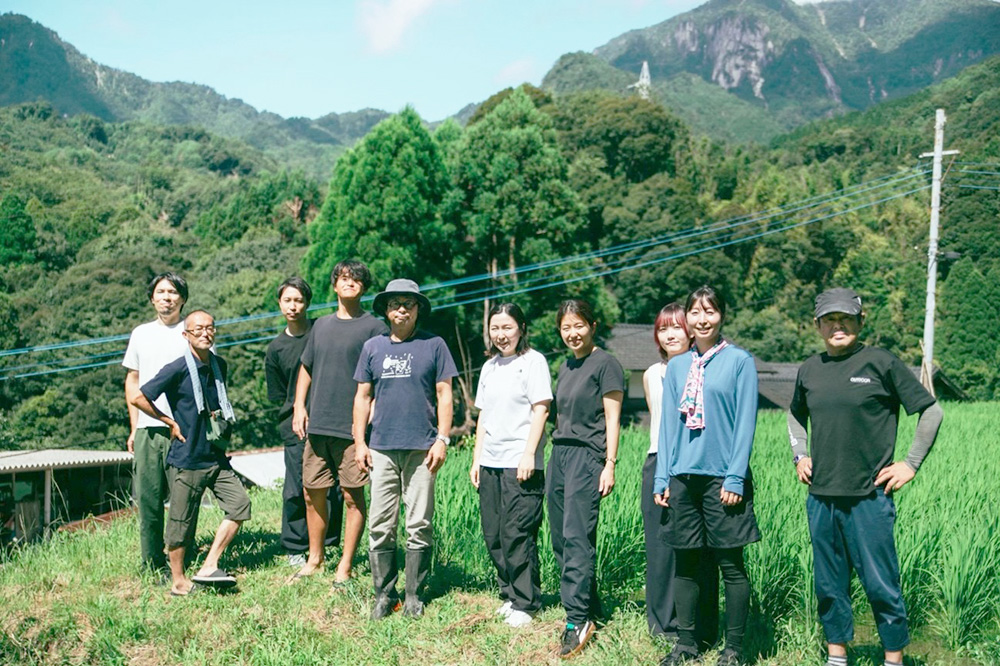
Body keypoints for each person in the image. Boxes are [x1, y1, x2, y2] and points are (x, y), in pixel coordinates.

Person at [788, 288, 943, 666]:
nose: (837, 325)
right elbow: (794, 415)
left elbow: (931, 411)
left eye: (845, 318)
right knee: (829, 584)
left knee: (881, 584)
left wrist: (910, 463)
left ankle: (893, 658)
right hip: (822, 495)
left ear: (861, 320)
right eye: (829, 319)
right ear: (817, 325)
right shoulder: (809, 369)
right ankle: (837, 656)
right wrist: (800, 454)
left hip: (869, 497)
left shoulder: (880, 363)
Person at [654, 286, 760, 666]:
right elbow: (668, 426)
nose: (702, 320)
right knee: (686, 562)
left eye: (710, 312)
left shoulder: (739, 361)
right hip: (683, 477)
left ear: (722, 316)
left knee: (731, 564)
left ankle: (733, 648)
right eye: (696, 313)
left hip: (721, 478)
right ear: (688, 318)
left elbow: (746, 423)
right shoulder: (678, 365)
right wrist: (661, 478)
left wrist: (734, 478)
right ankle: (686, 643)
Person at [353, 278, 458, 619]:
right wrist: (359, 442)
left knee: (419, 523)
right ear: (385, 309)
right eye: (395, 303)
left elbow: (445, 393)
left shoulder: (435, 345)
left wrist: (442, 439)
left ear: (418, 310)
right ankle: (385, 595)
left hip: (422, 449)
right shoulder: (373, 347)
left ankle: (414, 594)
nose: (402, 308)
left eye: (408, 303)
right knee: (381, 523)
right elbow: (362, 397)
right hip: (381, 447)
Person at [132, 310, 251, 596]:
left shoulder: (219, 366)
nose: (205, 334)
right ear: (186, 335)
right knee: (180, 524)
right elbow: (139, 396)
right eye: (198, 330)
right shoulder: (177, 368)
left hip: (215, 456)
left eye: (210, 329)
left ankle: (209, 565)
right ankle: (178, 581)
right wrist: (169, 422)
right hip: (186, 458)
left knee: (240, 505)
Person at [291, 261, 385, 584]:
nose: (350, 283)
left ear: (364, 287)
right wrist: (299, 406)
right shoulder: (320, 326)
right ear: (334, 285)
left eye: (356, 279)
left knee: (351, 495)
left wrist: (369, 421)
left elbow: (379, 380)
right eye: (344, 278)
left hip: (351, 429)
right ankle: (315, 557)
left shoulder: (375, 328)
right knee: (311, 491)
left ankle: (345, 565)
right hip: (318, 424)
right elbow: (307, 367)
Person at [547, 299, 624, 659]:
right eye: (566, 327)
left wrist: (609, 463)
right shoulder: (566, 365)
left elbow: (613, 418)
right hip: (559, 454)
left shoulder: (605, 364)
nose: (572, 333)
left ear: (592, 325)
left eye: (578, 325)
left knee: (577, 537)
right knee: (560, 538)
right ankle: (592, 607)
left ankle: (576, 620)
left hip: (587, 457)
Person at [469, 303, 552, 628]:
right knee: (494, 534)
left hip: (521, 463)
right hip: (490, 462)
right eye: (495, 328)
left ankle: (527, 601)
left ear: (521, 328)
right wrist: (476, 459)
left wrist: (529, 453)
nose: (501, 334)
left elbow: (541, 409)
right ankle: (510, 594)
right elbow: (483, 419)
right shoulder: (489, 367)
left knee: (517, 533)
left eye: (507, 327)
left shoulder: (533, 362)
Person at [642, 303, 719, 646]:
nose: (670, 334)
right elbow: (659, 423)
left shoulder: (704, 368)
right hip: (658, 460)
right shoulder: (650, 374)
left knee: (697, 550)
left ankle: (699, 624)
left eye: (676, 327)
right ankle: (662, 624)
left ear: (690, 329)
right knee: (660, 549)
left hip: (695, 466)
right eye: (662, 329)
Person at [264, 277, 342, 569]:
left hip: (330, 421)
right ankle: (295, 546)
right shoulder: (275, 349)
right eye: (287, 300)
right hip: (294, 426)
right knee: (297, 487)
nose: (293, 306)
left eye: (298, 300)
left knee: (332, 485)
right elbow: (278, 394)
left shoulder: (322, 332)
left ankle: (328, 543)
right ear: (280, 304)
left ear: (307, 303)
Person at [123, 271, 192, 575]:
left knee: (183, 502)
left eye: (173, 292)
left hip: (184, 430)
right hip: (147, 431)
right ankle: (151, 563)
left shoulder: (192, 331)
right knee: (149, 501)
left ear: (183, 298)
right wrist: (133, 425)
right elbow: (132, 380)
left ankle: (180, 559)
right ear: (152, 298)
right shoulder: (141, 333)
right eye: (161, 292)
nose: (167, 297)